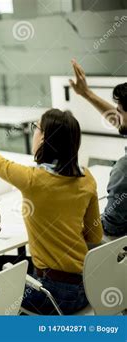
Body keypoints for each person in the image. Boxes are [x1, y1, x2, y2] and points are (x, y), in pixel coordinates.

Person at [0, 64, 103, 315]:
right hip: (86, 286)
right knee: (2, 263)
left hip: (53, 295)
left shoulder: (32, 180)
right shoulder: (87, 177)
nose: (34, 133)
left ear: (45, 139)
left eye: (37, 128)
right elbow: (94, 236)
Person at [69, 59, 126, 237]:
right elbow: (121, 121)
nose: (115, 115)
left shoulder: (123, 170)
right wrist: (86, 94)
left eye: (120, 110)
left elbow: (111, 226)